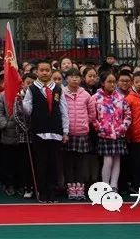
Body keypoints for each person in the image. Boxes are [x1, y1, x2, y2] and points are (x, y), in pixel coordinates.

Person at [22, 61, 69, 203]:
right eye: (41, 70)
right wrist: (21, 101)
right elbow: (28, 110)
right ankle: (41, 192)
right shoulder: (32, 89)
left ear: (51, 71)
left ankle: (52, 192)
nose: (44, 73)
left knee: (53, 163)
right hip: (39, 131)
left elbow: (64, 110)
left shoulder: (58, 88)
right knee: (41, 163)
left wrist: (65, 131)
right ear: (37, 72)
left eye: (47, 70)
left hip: (55, 131)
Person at [92, 71, 131, 191]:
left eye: (114, 82)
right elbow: (92, 116)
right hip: (104, 133)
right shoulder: (96, 98)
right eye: (109, 81)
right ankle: (105, 184)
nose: (112, 84)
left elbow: (128, 115)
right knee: (108, 160)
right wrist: (99, 127)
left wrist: (122, 127)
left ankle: (114, 185)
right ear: (103, 83)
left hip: (118, 133)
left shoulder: (120, 98)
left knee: (117, 160)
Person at [62, 68, 95, 200]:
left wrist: (85, 123)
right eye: (71, 77)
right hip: (68, 133)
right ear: (67, 78)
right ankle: (71, 188)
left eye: (77, 77)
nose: (75, 79)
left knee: (81, 163)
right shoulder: (62, 93)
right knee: (69, 162)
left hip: (82, 133)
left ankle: (80, 189)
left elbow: (92, 113)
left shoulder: (86, 94)